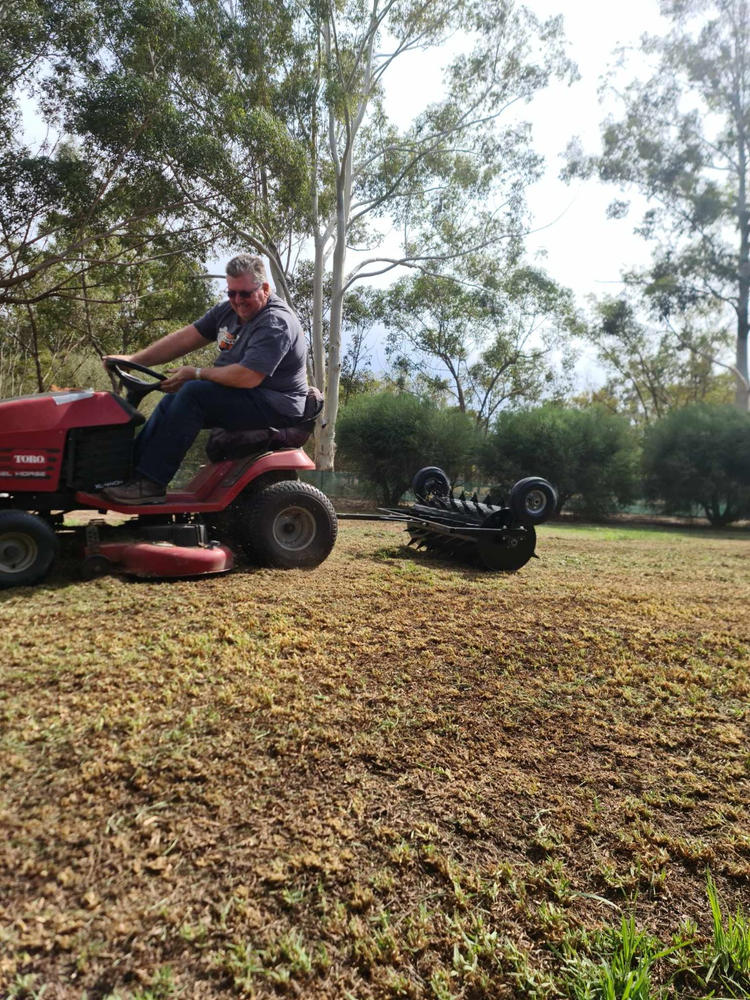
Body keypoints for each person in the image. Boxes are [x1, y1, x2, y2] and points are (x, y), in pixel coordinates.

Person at [102, 254, 308, 504]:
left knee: (193, 393)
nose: (237, 301)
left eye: (244, 294)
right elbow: (185, 339)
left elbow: (248, 376)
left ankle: (151, 483)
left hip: (275, 404)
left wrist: (196, 373)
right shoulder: (229, 312)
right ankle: (130, 475)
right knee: (175, 397)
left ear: (265, 289)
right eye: (231, 293)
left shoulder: (275, 323)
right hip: (246, 395)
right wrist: (135, 360)